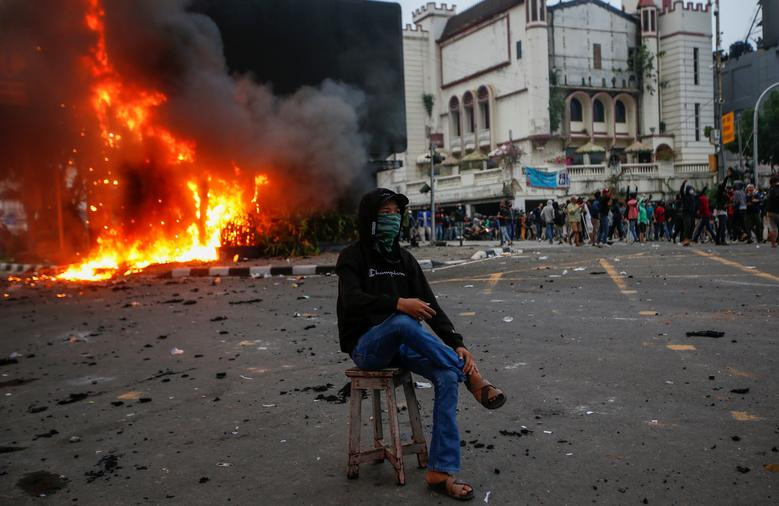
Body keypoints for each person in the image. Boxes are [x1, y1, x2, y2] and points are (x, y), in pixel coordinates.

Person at [337, 188, 506, 500]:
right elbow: (352, 300)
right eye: (384, 213)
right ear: (370, 219)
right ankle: (471, 377)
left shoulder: (405, 260)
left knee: (445, 376)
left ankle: (440, 471)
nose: (391, 219)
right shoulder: (352, 257)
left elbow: (431, 307)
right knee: (403, 321)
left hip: (402, 347)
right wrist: (398, 303)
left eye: (395, 213)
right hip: (366, 348)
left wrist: (457, 342)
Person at [679, 180, 697, 246]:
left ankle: (688, 239)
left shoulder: (693, 197)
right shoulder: (685, 197)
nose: (691, 191)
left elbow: (699, 195)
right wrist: (683, 183)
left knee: (692, 226)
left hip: (692, 214)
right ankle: (685, 240)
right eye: (690, 190)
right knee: (687, 226)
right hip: (686, 214)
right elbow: (681, 191)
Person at [765, 175, 779, 248]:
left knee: (773, 228)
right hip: (777, 211)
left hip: (770, 212)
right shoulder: (777, 188)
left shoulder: (770, 190)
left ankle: (773, 244)